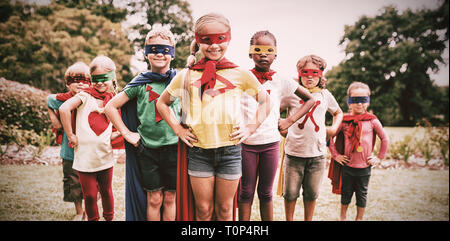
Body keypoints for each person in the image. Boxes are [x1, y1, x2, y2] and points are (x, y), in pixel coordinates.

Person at [157, 13, 273, 221]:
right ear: (198, 41)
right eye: (206, 40)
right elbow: (162, 103)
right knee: (203, 211)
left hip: (230, 151)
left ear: (228, 39)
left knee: (226, 211)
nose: (214, 46)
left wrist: (250, 127)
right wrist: (178, 128)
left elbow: (266, 102)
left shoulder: (239, 73)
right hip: (199, 152)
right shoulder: (187, 74)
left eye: (220, 39)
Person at [238, 30, 315, 221]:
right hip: (245, 144)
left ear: (276, 54)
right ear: (250, 53)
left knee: (266, 193)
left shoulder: (282, 80)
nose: (263, 54)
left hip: (270, 144)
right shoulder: (241, 77)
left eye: (268, 49)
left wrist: (289, 121)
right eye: (258, 49)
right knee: (245, 192)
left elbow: (310, 99)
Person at [105, 28, 180, 221]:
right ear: (146, 53)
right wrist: (126, 133)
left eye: (165, 49)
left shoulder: (180, 81)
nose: (159, 54)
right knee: (154, 199)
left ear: (172, 53)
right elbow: (111, 107)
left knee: (171, 198)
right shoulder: (139, 83)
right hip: (148, 151)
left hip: (175, 148)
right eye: (154, 49)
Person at [279, 54, 343, 221]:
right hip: (294, 154)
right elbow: (273, 111)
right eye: (305, 72)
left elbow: (337, 112)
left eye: (314, 73)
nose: (309, 76)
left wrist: (334, 128)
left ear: (321, 74)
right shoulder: (293, 94)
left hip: (317, 155)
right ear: (299, 73)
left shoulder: (325, 95)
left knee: (312, 193)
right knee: (290, 194)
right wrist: (281, 127)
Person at [59, 55, 120, 221]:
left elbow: (114, 129)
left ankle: (109, 218)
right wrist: (71, 134)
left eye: (104, 79)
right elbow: (64, 109)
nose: (99, 83)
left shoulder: (114, 100)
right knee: (91, 195)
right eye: (96, 79)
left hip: (104, 157)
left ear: (113, 78)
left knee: (107, 192)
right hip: (84, 159)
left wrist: (120, 134)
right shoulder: (84, 96)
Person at [328, 81, 389, 221]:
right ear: (349, 101)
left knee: (362, 194)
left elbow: (384, 139)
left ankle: (359, 219)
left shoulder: (372, 120)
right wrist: (335, 155)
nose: (359, 104)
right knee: (346, 193)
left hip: (364, 167)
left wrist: (379, 158)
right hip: (347, 166)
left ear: (368, 101)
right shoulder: (343, 120)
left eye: (363, 100)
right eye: (355, 100)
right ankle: (342, 217)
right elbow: (329, 136)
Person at [46, 62, 90, 221]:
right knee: (73, 182)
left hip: (90, 149)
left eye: (85, 80)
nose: (80, 83)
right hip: (70, 149)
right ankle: (79, 212)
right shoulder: (62, 99)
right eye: (75, 79)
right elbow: (49, 100)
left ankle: (89, 211)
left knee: (91, 182)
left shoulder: (92, 98)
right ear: (67, 83)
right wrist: (54, 119)